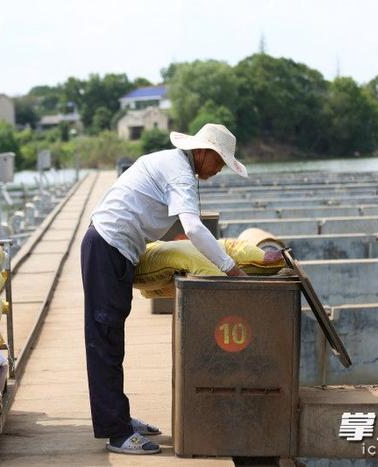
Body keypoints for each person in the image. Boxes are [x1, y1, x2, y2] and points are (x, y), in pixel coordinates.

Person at [81, 123, 266, 455]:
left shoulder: (170, 163)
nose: (219, 170)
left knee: (112, 338)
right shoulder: (180, 174)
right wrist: (231, 269)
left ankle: (119, 417)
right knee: (104, 339)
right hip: (107, 248)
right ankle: (116, 433)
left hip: (114, 248)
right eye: (219, 162)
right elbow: (193, 227)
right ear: (203, 152)